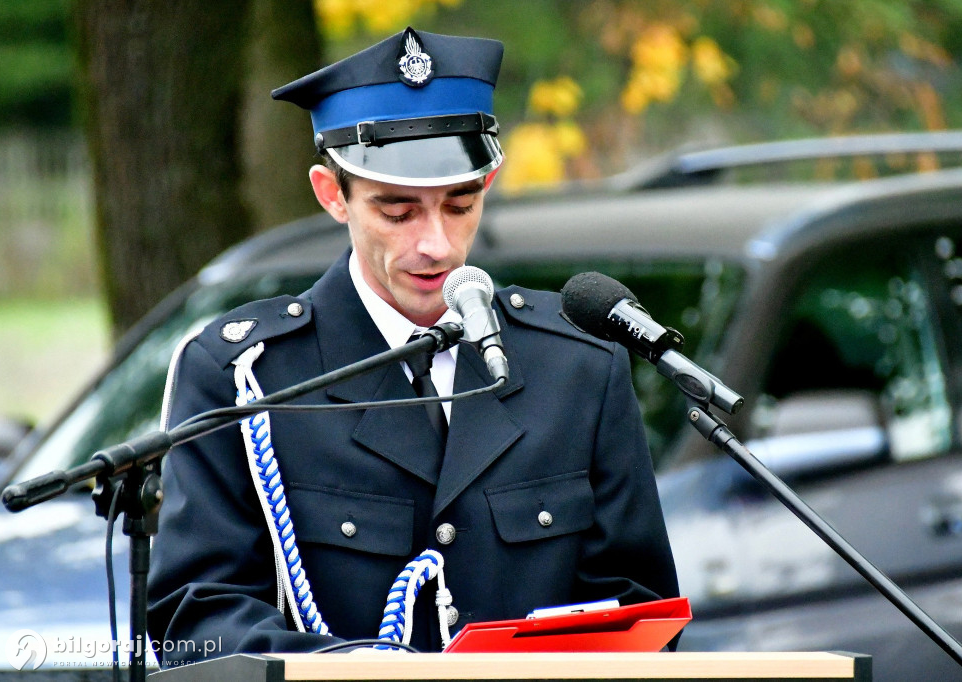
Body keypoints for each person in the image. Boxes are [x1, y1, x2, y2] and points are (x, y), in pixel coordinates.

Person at [147, 27, 678, 665]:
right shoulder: (245, 377)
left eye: (460, 204)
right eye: (397, 212)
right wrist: (352, 674)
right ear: (330, 194)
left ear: (491, 180)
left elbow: (642, 615)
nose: (436, 245)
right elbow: (196, 618)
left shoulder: (578, 365)